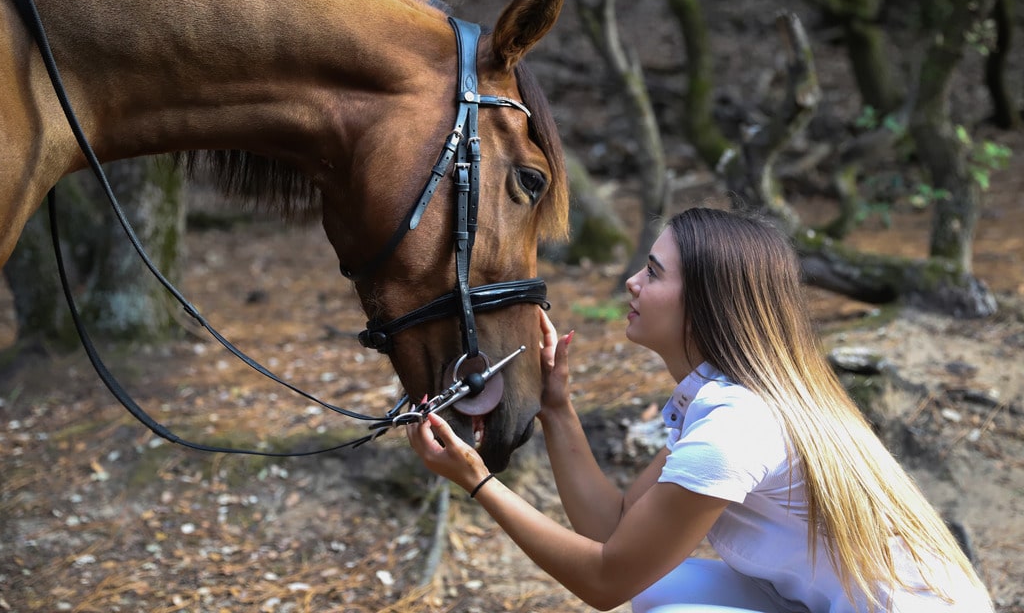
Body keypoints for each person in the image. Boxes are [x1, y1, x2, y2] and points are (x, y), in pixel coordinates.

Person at [407, 207, 994, 612]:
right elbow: (614, 531)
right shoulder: (732, 400)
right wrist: (557, 410)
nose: (632, 283)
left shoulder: (735, 429)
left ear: (708, 306)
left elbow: (605, 580)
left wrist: (477, 481)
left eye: (654, 273)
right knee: (664, 589)